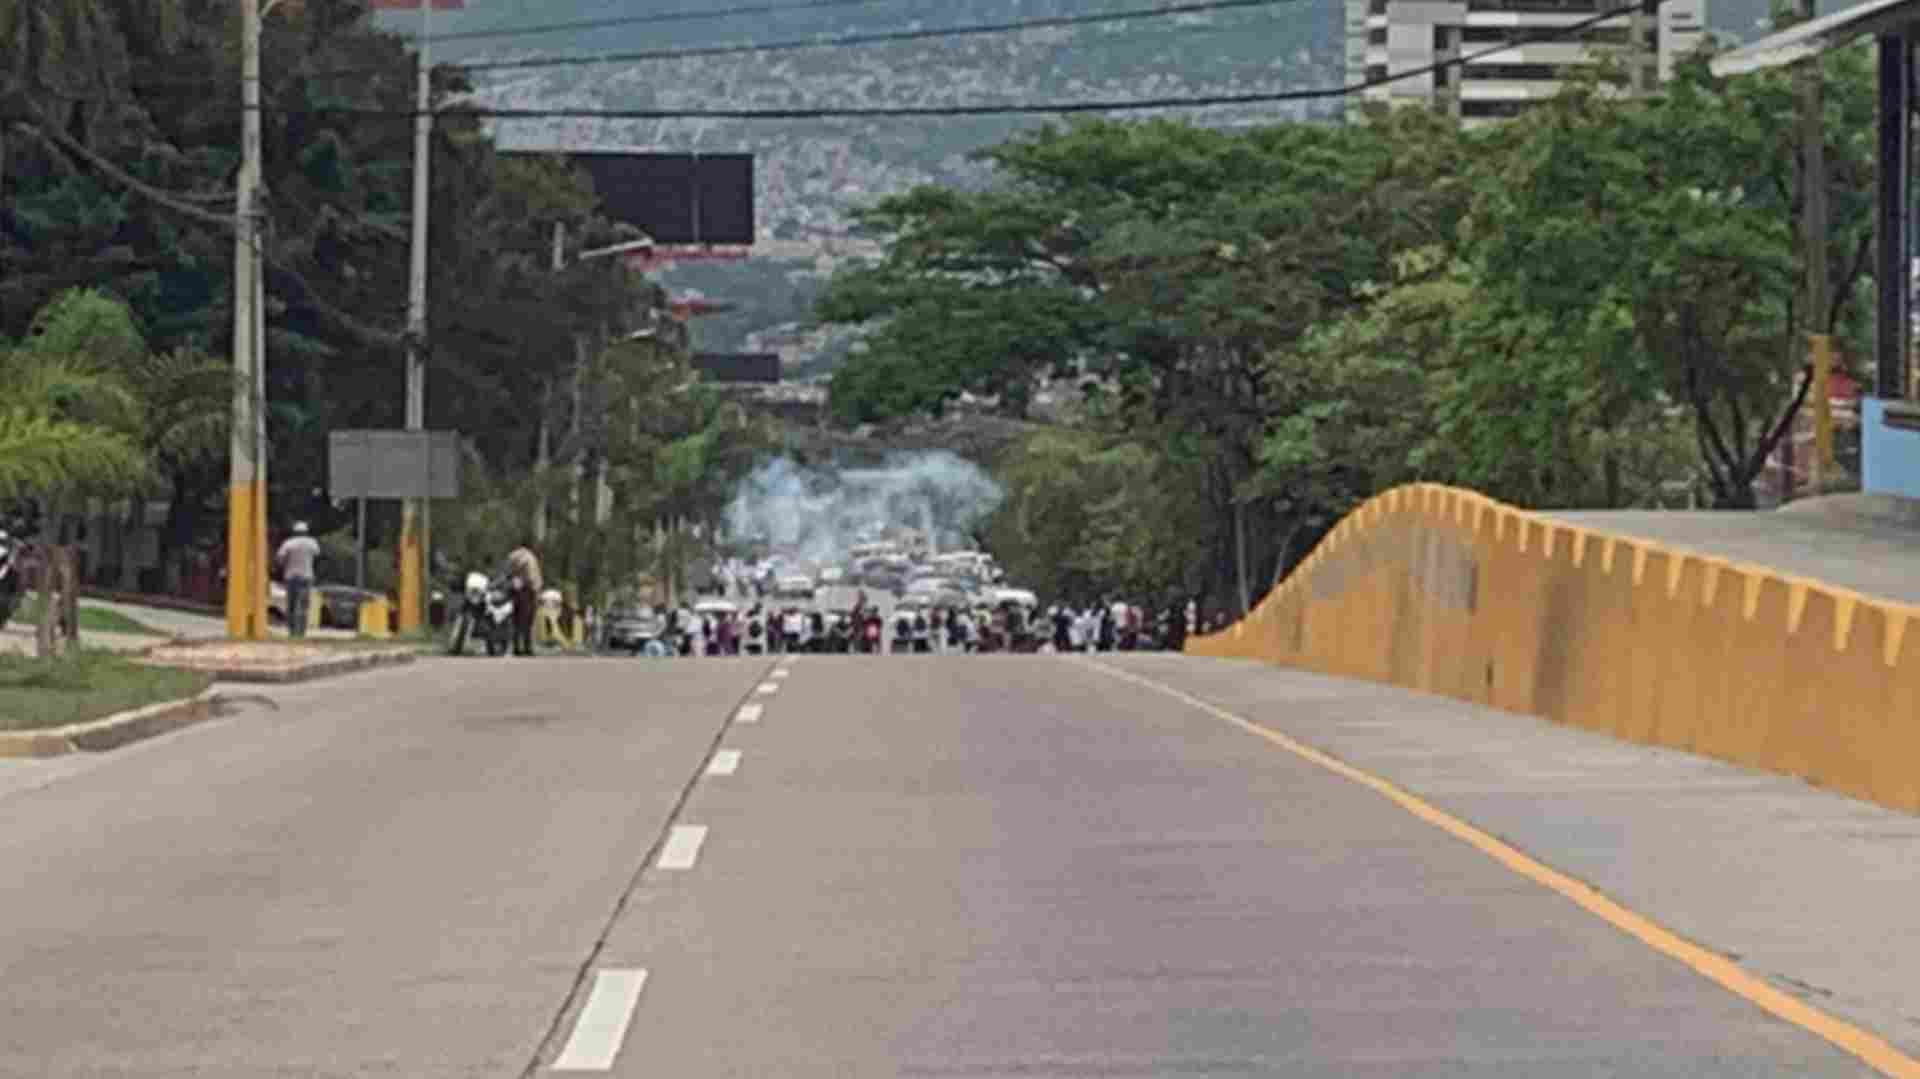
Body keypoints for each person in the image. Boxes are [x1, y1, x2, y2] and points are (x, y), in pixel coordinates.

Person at [275, 522, 321, 638]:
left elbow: (280, 558)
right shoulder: (312, 543)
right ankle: (301, 633)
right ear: (306, 532)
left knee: (291, 605)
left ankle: (292, 632)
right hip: (306, 576)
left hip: (291, 577)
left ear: (294, 532)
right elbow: (317, 554)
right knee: (303, 606)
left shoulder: (288, 543)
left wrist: (284, 564)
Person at [503, 540, 542, 656]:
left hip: (514, 590)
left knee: (515, 620)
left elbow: (506, 573)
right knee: (527, 621)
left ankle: (516, 647)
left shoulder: (511, 556)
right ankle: (527, 647)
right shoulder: (530, 558)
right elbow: (532, 576)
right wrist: (536, 590)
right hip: (527, 591)